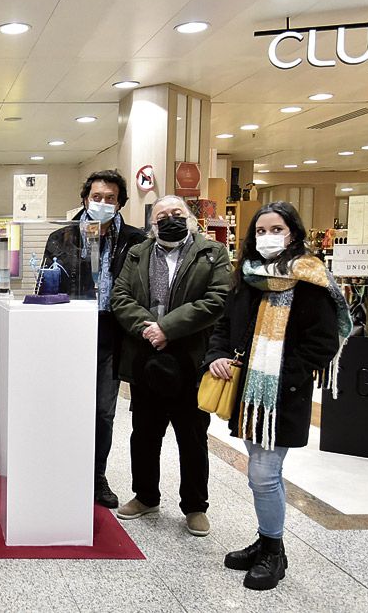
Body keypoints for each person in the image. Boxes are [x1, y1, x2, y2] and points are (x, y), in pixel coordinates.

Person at [203, 201, 350, 590]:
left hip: (281, 393)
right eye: (261, 231)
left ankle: (274, 552)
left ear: (294, 233)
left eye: (277, 229)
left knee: (264, 474)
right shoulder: (249, 275)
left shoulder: (309, 279)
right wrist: (217, 354)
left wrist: (283, 378)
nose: (268, 237)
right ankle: (267, 541)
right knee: (261, 472)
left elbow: (322, 341)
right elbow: (225, 323)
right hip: (249, 393)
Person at [110, 196, 231, 537]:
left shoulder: (211, 253)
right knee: (144, 434)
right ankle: (145, 495)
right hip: (146, 357)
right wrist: (150, 328)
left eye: (177, 213)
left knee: (192, 437)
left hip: (190, 359)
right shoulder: (139, 253)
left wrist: (169, 328)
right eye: (162, 215)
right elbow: (120, 297)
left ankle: (195, 506)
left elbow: (218, 298)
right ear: (152, 223)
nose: (170, 219)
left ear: (190, 218)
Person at [42, 169, 146, 508]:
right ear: (85, 198)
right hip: (69, 333)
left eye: (110, 199)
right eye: (96, 197)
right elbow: (45, 286)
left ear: (120, 203)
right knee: (66, 406)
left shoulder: (135, 240)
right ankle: (62, 469)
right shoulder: (61, 237)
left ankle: (97, 475)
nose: (102, 203)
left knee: (103, 411)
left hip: (112, 334)